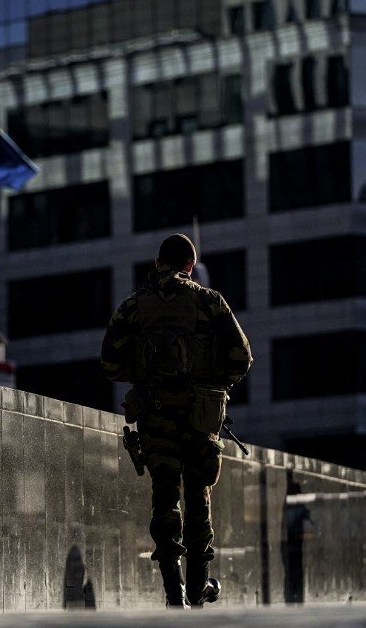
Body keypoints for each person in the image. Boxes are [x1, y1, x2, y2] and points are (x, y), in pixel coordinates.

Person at [100, 234, 252, 609]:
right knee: (198, 497)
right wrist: (214, 382)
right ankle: (198, 587)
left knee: (164, 498)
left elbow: (110, 364)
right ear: (190, 265)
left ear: (157, 263)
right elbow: (242, 356)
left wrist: (145, 376)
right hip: (200, 417)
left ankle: (174, 591)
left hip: (156, 416)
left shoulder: (133, 306)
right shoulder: (209, 301)